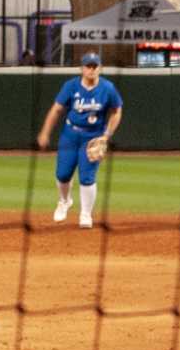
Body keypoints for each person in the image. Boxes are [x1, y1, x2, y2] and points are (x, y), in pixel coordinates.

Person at [35, 51, 123, 229]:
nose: (91, 70)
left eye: (94, 66)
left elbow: (117, 110)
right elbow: (56, 110)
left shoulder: (108, 88)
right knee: (63, 174)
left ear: (100, 68)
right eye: (88, 66)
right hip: (70, 134)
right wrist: (45, 132)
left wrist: (106, 136)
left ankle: (85, 214)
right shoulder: (71, 86)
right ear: (81, 69)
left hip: (93, 137)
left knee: (87, 177)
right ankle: (64, 201)